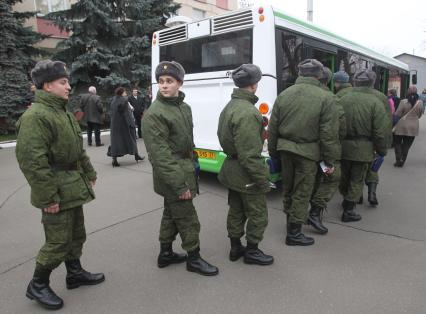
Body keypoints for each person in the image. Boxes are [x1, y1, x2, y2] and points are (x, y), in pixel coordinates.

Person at [15, 60, 105, 310]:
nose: (69, 87)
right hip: (56, 189)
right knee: (57, 242)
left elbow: (77, 149)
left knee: (77, 234)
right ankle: (38, 284)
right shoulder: (36, 117)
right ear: (46, 86)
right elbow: (33, 162)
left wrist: (89, 171)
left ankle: (74, 274)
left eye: (67, 81)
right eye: (63, 82)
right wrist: (48, 198)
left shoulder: (61, 112)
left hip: (72, 185)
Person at [142, 61, 219, 276]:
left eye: (169, 81)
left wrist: (194, 164)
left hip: (184, 168)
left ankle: (165, 253)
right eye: (161, 81)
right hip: (173, 174)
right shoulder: (155, 113)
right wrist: (179, 185)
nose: (164, 85)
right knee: (187, 218)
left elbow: (188, 141)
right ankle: (194, 258)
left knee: (171, 214)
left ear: (180, 84)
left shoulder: (184, 107)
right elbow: (160, 156)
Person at [268, 59, 339, 246]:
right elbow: (328, 134)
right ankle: (294, 233)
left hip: (285, 150)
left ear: (300, 73)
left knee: (289, 189)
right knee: (302, 191)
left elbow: (273, 127)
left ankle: (290, 222)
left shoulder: (284, 94)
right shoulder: (326, 97)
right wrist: (330, 160)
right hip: (308, 153)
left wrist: (274, 152)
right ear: (318, 75)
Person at [217, 64, 274, 265]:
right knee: (258, 214)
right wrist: (263, 180)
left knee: (236, 210)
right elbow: (250, 156)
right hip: (245, 172)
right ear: (254, 84)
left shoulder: (229, 107)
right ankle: (252, 251)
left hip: (232, 169)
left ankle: (235, 248)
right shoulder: (248, 112)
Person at [338, 69, 388, 222]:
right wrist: (381, 150)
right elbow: (380, 131)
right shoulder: (376, 102)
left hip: (342, 146)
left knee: (344, 177)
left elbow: (333, 123)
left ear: (355, 82)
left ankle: (346, 199)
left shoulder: (342, 99)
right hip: (364, 148)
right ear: (372, 83)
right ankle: (349, 209)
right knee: (357, 179)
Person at [308, 67, 346, 234]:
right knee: (332, 177)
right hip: (323, 149)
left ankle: (297, 217)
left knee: (308, 181)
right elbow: (339, 128)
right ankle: (315, 213)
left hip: (303, 149)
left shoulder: (295, 93)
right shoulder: (331, 98)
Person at [362, 73, 393, 206]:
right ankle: (371, 193)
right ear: (373, 82)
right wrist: (384, 144)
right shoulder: (381, 97)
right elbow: (387, 122)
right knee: (373, 169)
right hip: (375, 141)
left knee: (357, 170)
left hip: (356, 140)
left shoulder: (350, 95)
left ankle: (356, 196)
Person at [109, 87, 145, 167]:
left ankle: (114, 160)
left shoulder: (113, 99)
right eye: (125, 91)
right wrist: (132, 124)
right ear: (122, 92)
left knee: (116, 142)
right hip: (124, 125)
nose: (126, 93)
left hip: (115, 125)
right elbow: (127, 114)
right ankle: (136, 156)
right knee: (131, 139)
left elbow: (111, 112)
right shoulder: (124, 100)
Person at [393, 86, 424, 167]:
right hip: (413, 127)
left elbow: (397, 114)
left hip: (401, 126)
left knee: (397, 143)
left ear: (408, 92)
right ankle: (402, 160)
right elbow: (420, 115)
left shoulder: (403, 101)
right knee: (407, 145)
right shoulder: (420, 103)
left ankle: (398, 159)